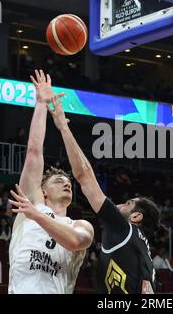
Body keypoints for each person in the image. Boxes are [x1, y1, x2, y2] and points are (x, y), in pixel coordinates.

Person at [47, 88, 160, 294]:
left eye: (127, 204)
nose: (118, 204)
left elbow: (84, 177)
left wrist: (63, 127)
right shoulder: (139, 247)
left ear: (135, 216)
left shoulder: (124, 229)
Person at [8, 70, 94, 294]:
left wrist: (37, 215)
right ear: (43, 191)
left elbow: (75, 242)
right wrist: (40, 103)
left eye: (68, 182)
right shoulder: (32, 204)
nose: (66, 184)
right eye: (58, 180)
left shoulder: (80, 225)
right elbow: (34, 152)